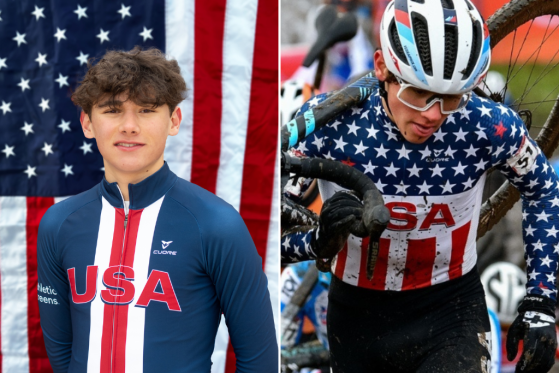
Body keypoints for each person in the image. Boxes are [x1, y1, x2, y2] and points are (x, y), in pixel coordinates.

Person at [281, 0, 559, 371]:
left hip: (451, 312)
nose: (432, 114)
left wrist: (541, 300)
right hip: (357, 318)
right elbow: (270, 240)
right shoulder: (329, 124)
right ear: (381, 66)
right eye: (416, 92)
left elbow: (542, 187)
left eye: (450, 97)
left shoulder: (488, 125)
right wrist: (318, 242)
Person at [37, 47, 277, 373]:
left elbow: (258, 361)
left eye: (147, 110)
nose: (130, 126)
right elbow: (63, 356)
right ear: (87, 123)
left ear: (174, 120)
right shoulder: (58, 224)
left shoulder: (217, 224)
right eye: (112, 110)